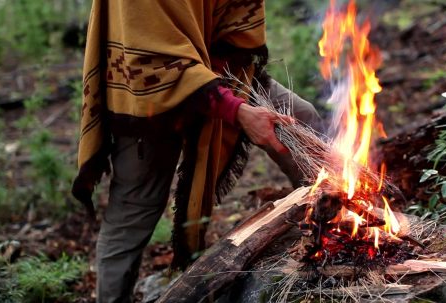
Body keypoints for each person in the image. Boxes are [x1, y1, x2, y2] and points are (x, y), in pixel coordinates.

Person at [71, 1, 322, 302]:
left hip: (216, 70)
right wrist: (237, 110)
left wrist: (226, 77)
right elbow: (150, 60)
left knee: (301, 120)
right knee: (135, 207)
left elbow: (232, 16)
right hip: (146, 95)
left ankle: (333, 230)